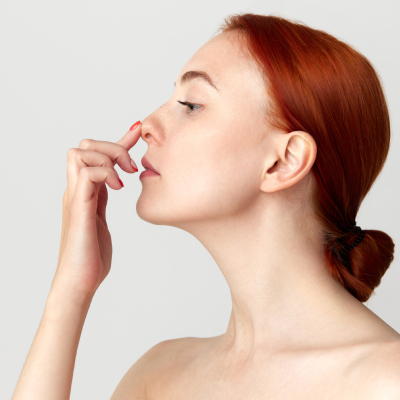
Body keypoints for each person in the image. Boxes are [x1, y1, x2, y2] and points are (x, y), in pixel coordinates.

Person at [11, 13, 400, 400]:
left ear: (284, 161)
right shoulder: (158, 374)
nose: (146, 124)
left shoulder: (386, 381)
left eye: (191, 104)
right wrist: (69, 290)